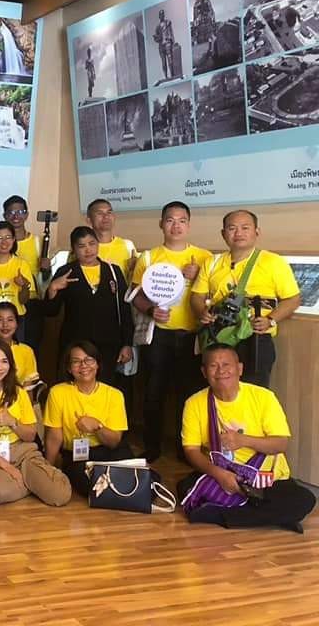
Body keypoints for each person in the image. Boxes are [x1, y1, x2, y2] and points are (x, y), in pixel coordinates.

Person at [179, 344, 315, 531]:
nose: (221, 371)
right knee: (185, 486)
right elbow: (191, 450)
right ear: (204, 372)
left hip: (266, 479)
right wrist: (221, 475)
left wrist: (243, 441)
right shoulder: (194, 403)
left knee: (304, 499)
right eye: (213, 366)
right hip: (223, 475)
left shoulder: (263, 397)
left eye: (226, 365)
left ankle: (222, 515)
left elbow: (281, 444)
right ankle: (273, 516)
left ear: (240, 368)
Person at [131, 201, 213, 462]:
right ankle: (152, 446)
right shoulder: (148, 257)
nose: (176, 226)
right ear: (161, 224)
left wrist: (199, 275)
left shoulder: (205, 258)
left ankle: (185, 448)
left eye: (181, 220)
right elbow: (135, 295)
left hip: (192, 336)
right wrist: (150, 310)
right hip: (158, 336)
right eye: (170, 220)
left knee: (188, 394)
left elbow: (214, 294)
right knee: (154, 391)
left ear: (189, 224)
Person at [190, 210, 301, 388]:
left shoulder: (273, 262)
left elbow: (293, 299)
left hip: (255, 338)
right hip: (218, 337)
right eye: (232, 228)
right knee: (215, 391)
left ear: (257, 232)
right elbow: (197, 296)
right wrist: (201, 311)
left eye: (245, 228)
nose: (239, 233)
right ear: (223, 234)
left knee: (253, 392)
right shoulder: (212, 263)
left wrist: (270, 320)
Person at [0, 339, 70, 507]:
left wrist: (12, 422)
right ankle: (32, 484)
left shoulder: (19, 392)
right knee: (0, 492)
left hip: (23, 453)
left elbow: (31, 435)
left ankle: (30, 481)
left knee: (60, 494)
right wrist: (7, 467)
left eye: (4, 361)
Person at [43, 227, 133, 387]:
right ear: (74, 249)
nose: (88, 250)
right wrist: (53, 288)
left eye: (92, 243)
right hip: (75, 344)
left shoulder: (113, 271)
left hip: (108, 345)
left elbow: (125, 311)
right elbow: (51, 311)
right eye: (81, 246)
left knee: (106, 389)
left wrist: (127, 343)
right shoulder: (66, 272)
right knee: (73, 390)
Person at [43, 341, 132, 496]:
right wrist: (48, 470)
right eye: (76, 361)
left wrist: (97, 427)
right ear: (69, 368)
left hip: (109, 450)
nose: (83, 365)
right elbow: (54, 438)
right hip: (77, 455)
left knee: (135, 477)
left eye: (89, 360)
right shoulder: (57, 393)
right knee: (92, 485)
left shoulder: (114, 395)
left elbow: (114, 441)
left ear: (97, 365)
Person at [3, 195, 49, 350]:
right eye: (11, 212)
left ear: (27, 214)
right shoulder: (2, 242)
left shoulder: (38, 242)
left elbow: (45, 278)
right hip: (7, 301)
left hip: (32, 303)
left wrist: (47, 269)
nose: (16, 216)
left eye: (20, 212)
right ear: (5, 216)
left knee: (30, 347)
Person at [86, 199, 137, 281]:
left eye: (109, 212)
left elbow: (134, 281)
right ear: (89, 220)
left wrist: (133, 270)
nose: (106, 216)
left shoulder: (128, 246)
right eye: (100, 213)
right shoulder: (83, 248)